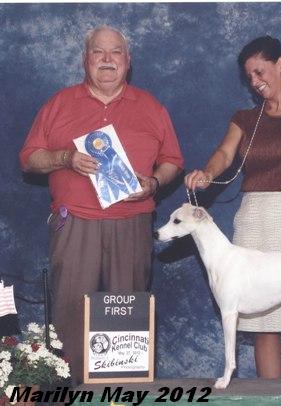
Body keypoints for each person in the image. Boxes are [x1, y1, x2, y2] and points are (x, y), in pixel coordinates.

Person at [19, 25, 184, 385]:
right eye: (98, 52)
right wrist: (65, 157)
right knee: (71, 314)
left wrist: (155, 182)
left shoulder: (151, 106)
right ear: (85, 59)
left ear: (128, 61)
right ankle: (71, 391)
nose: (107, 60)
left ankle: (122, 393)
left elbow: (172, 160)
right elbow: (29, 158)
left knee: (127, 316)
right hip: (74, 223)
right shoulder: (59, 103)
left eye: (115, 52)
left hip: (132, 222)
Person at [185, 36, 281, 379]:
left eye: (260, 72)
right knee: (262, 327)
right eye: (249, 77)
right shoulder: (244, 119)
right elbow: (225, 153)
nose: (255, 82)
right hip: (254, 222)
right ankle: (270, 398)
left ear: (280, 64)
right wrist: (208, 173)